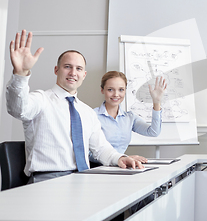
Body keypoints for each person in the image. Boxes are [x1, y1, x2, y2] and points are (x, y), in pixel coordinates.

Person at [6, 30, 142, 183]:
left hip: (81, 178)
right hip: (47, 180)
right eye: (67, 67)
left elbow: (101, 148)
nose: (73, 73)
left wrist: (121, 158)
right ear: (56, 70)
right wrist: (20, 74)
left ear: (84, 75)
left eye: (78, 69)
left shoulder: (87, 112)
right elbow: (18, 109)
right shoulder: (41, 99)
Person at [92, 71, 167, 164]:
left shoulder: (129, 118)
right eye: (110, 89)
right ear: (102, 90)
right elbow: (87, 152)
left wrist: (156, 102)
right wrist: (120, 158)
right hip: (97, 169)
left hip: (121, 168)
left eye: (121, 90)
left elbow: (153, 132)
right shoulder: (93, 116)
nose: (116, 94)